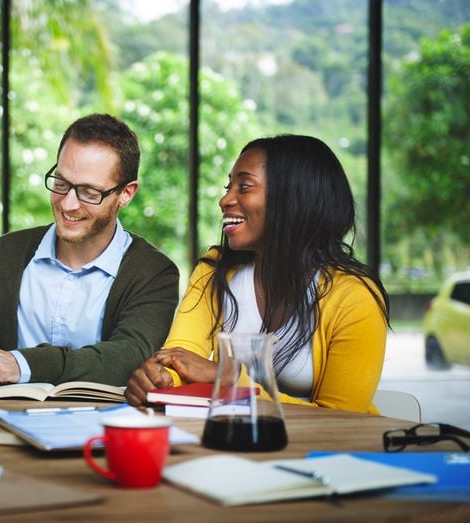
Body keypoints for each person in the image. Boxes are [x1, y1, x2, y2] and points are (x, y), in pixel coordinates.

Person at [125, 134, 390, 413]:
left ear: (292, 199)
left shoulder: (355, 297)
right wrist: (162, 379)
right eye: (229, 186)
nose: (225, 199)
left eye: (244, 187)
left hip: (325, 451)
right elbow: (180, 355)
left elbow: (343, 419)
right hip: (232, 439)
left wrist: (229, 379)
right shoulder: (214, 270)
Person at [0, 113, 179, 387]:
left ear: (126, 194)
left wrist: (23, 364)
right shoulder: (6, 253)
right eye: (61, 183)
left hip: (100, 425)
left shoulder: (154, 272)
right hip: (2, 421)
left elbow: (129, 358)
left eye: (89, 193)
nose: (68, 204)